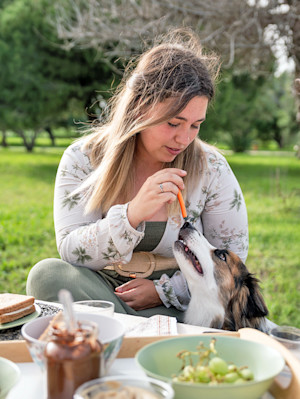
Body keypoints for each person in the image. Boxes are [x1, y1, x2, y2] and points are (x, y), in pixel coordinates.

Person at [26, 28, 248, 323]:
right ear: (140, 106)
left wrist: (164, 292)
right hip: (100, 293)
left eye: (196, 125)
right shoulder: (83, 158)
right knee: (47, 275)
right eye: (173, 123)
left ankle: (117, 336)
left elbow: (230, 260)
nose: (184, 138)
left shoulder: (212, 168)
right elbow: (71, 250)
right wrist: (130, 215)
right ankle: (151, 339)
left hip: (183, 305)